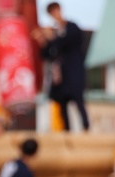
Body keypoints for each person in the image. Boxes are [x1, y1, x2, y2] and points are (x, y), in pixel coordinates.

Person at [33, 2, 89, 132]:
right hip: (60, 74)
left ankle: (86, 126)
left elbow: (67, 41)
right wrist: (43, 40)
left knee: (78, 100)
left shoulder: (71, 27)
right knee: (62, 101)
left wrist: (51, 37)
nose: (55, 15)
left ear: (60, 10)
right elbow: (47, 54)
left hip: (74, 71)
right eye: (52, 13)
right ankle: (66, 129)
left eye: (56, 11)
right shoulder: (56, 32)